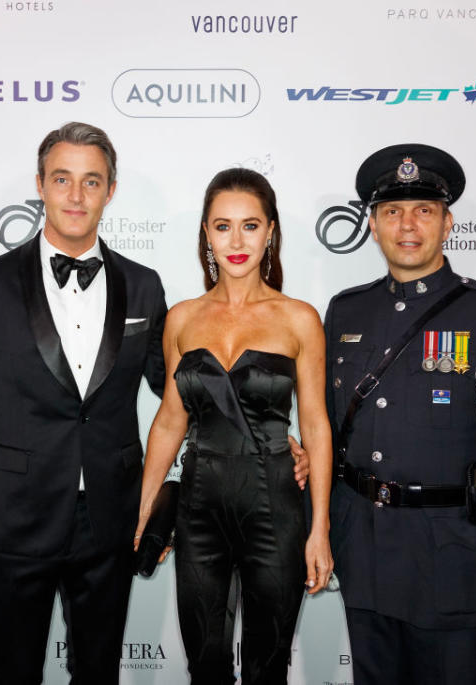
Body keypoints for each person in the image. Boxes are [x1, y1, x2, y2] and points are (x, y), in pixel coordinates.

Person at [0, 124, 310, 684]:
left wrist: (271, 435)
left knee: (100, 673)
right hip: (14, 517)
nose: (76, 196)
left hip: (112, 517)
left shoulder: (143, 285)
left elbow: (181, 387)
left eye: (91, 181)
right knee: (13, 672)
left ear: (111, 191)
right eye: (62, 180)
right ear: (40, 185)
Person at [325, 144, 476, 684]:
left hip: (455, 567)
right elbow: (329, 434)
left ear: (447, 222)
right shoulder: (346, 310)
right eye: (392, 211)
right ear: (373, 223)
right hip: (365, 555)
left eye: (423, 210)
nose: (407, 224)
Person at [135, 167, 333, 684]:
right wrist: (145, 507)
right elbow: (167, 423)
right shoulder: (181, 318)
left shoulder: (299, 318)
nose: (237, 240)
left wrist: (319, 528)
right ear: (206, 233)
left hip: (277, 509)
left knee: (269, 667)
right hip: (199, 509)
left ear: (270, 232)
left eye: (250, 225)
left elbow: (315, 424)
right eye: (223, 226)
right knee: (205, 665)